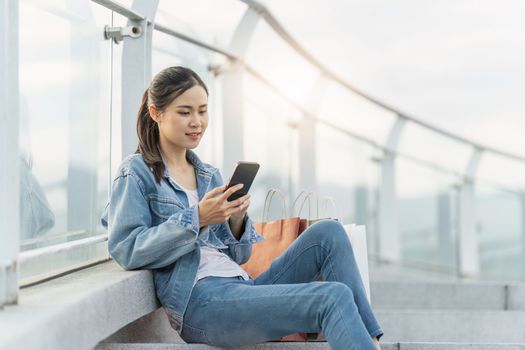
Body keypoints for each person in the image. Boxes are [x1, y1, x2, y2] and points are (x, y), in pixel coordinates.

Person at [101, 66, 383, 350]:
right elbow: (126, 248)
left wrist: (235, 220)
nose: (196, 122)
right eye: (184, 112)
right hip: (202, 304)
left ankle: (371, 341)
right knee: (331, 296)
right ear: (156, 113)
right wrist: (197, 218)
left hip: (243, 287)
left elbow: (240, 255)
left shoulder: (208, 175)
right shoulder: (136, 172)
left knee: (329, 232)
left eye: (202, 111)